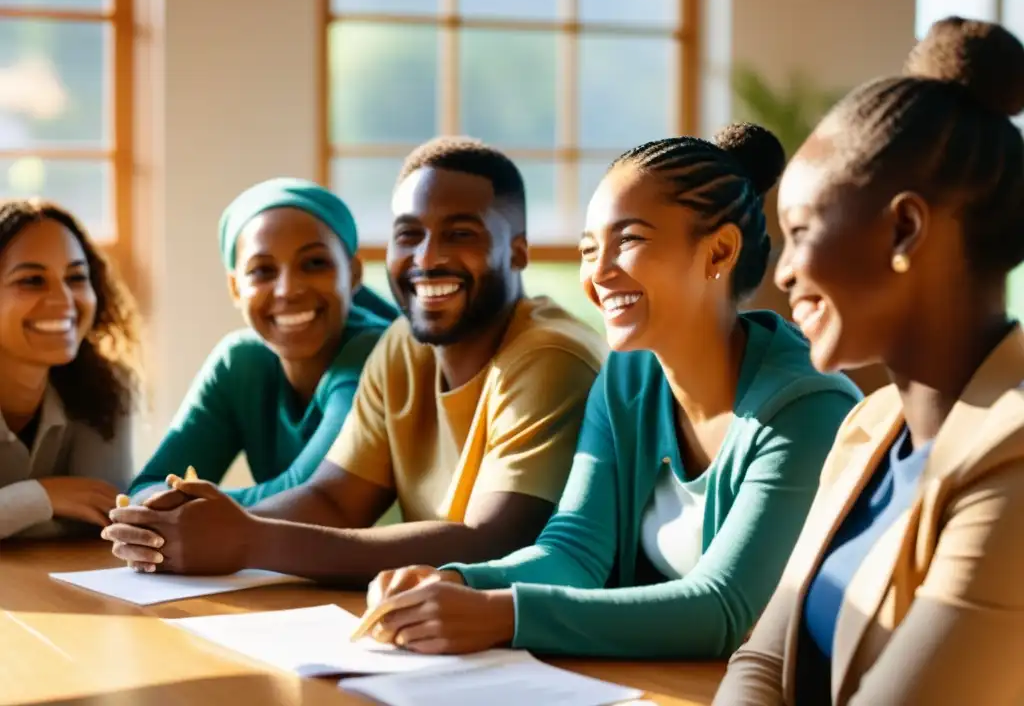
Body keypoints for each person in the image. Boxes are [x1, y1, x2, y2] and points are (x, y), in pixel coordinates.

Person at [362, 124, 862, 659]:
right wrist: (454, 582)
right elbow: (574, 549)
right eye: (587, 249)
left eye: (629, 240)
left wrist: (503, 614)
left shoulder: (808, 408)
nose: (598, 273)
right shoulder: (628, 378)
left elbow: (722, 608)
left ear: (719, 253)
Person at [102, 137, 607, 581]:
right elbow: (334, 499)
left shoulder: (549, 354)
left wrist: (249, 541)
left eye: (460, 233)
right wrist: (196, 528)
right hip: (441, 617)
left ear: (518, 252)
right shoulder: (403, 345)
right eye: (409, 234)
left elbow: (493, 540)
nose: (427, 258)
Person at [713, 17, 1024, 705]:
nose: (785, 273)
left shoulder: (1015, 460)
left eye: (799, 233)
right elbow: (762, 660)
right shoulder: (870, 425)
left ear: (904, 229)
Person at [126, 178, 398, 507]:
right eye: (262, 271)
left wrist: (179, 506)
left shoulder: (378, 352)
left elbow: (309, 497)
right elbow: (145, 489)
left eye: (314, 263)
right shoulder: (241, 363)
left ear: (353, 274)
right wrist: (157, 504)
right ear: (235, 289)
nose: (288, 290)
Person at [0, 200, 140, 540]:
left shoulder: (108, 387)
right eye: (32, 280)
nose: (64, 300)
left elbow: (104, 519)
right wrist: (44, 496)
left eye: (76, 277)